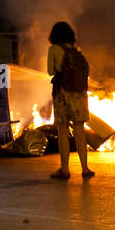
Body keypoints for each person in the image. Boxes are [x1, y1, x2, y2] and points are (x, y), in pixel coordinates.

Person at [47, 22, 94, 180]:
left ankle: (65, 169)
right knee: (80, 131)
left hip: (63, 93)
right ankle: (85, 168)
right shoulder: (76, 49)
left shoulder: (53, 49)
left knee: (63, 131)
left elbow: (50, 71)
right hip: (79, 93)